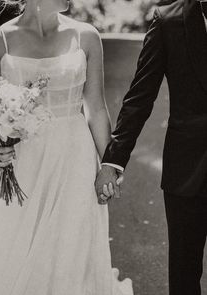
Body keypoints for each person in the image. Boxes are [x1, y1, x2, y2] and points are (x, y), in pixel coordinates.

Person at [0, 0, 133, 294]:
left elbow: (95, 107)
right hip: (22, 161)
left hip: (74, 160)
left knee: (68, 248)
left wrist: (110, 164)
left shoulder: (86, 36)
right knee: (15, 246)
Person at [95, 0, 207, 294]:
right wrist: (112, 160)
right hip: (187, 170)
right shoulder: (168, 20)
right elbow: (140, 96)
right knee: (184, 273)